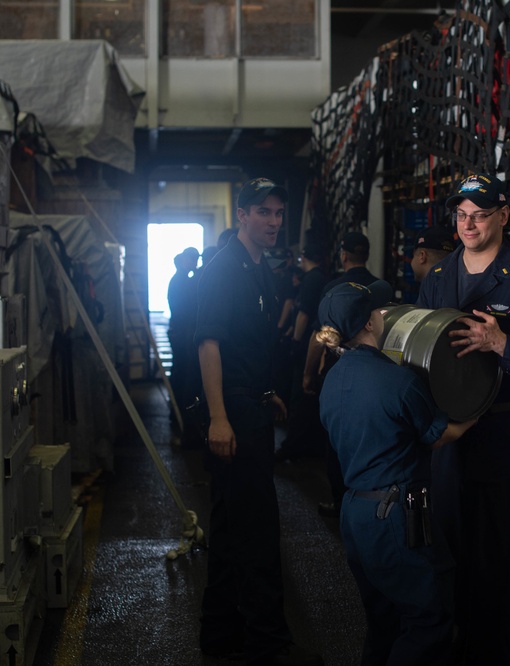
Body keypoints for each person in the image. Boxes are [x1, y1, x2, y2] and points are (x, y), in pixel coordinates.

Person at [415, 173, 510, 665]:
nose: (469, 224)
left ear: (505, 216)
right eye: (461, 215)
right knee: (447, 556)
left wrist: (503, 344)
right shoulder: (438, 279)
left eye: (480, 214)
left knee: (498, 565)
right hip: (448, 439)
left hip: (506, 437)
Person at [194, 177, 323, 666]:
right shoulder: (224, 269)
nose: (273, 221)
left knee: (230, 528)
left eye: (277, 213)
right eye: (263, 212)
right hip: (234, 412)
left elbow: (252, 344)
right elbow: (209, 344)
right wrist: (219, 417)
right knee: (259, 531)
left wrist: (268, 392)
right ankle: (270, 644)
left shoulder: (261, 269)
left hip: (252, 404)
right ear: (242, 215)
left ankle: (220, 634)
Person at [317, 280, 477, 666]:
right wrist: (479, 408)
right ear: (369, 325)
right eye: (377, 309)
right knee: (428, 620)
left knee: (383, 619)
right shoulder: (397, 381)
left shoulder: (333, 380)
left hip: (355, 512)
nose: (384, 312)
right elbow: (443, 435)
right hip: (395, 515)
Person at [303, 231, 380, 516]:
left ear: (343, 255)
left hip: (340, 371)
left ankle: (341, 502)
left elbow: (320, 336)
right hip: (377, 373)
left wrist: (308, 374)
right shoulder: (380, 286)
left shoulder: (333, 287)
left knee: (338, 440)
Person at [278, 242, 328, 460]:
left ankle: (295, 446)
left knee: (300, 394)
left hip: (307, 342)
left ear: (303, 258)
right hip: (312, 340)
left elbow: (304, 314)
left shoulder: (311, 279)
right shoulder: (320, 278)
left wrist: (295, 341)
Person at [167, 247, 200, 421]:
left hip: (180, 331)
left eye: (196, 259)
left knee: (180, 371)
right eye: (191, 259)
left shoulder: (182, 280)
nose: (194, 263)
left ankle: (177, 409)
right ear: (183, 260)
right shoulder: (181, 281)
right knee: (181, 372)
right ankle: (177, 410)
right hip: (181, 333)